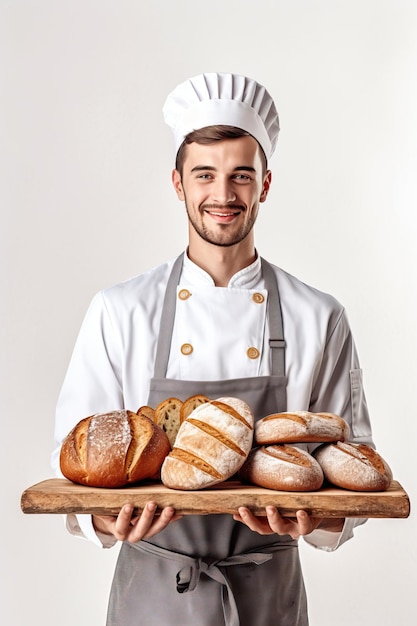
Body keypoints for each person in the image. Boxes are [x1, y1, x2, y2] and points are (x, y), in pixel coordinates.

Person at [52, 72, 374, 626]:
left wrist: (314, 518)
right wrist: (107, 522)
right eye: (205, 174)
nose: (223, 196)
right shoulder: (119, 310)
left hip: (266, 595)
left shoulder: (319, 317)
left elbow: (352, 466)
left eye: (240, 176)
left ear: (265, 184)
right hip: (152, 592)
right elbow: (78, 469)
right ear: (178, 183)